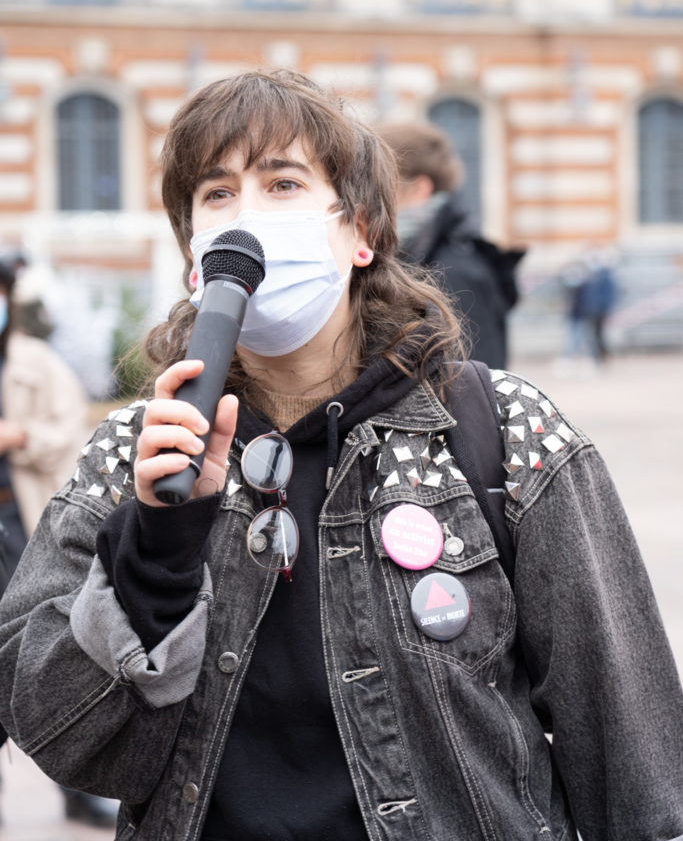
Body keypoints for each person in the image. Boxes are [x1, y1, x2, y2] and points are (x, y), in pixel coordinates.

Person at [0, 70, 680, 841]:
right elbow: (57, 737)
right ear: (194, 252)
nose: (245, 218)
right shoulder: (136, 452)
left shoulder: (505, 432)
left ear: (359, 232)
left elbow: (634, 759)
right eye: (216, 195)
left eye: (282, 183)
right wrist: (155, 552)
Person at [0, 260, 119, 829]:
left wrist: (18, 436)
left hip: (21, 527)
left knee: (46, 651)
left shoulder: (36, 364)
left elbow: (73, 429)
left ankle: (74, 784)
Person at [379, 121, 525, 368]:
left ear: (419, 190)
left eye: (381, 184)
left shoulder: (455, 271)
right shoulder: (414, 250)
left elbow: (473, 384)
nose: (367, 195)